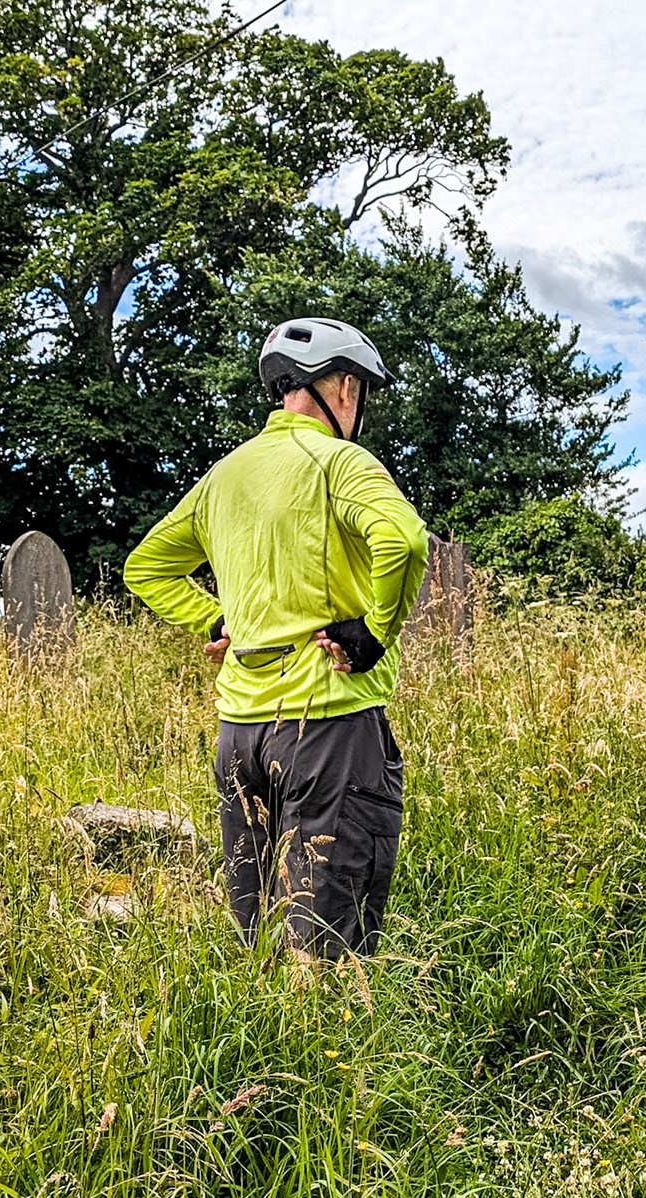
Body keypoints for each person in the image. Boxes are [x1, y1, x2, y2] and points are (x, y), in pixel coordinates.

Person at [123, 317, 429, 963]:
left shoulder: (224, 476)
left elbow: (146, 567)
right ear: (345, 386)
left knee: (257, 916)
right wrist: (374, 629)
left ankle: (264, 1041)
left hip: (240, 733)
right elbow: (402, 541)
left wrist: (215, 621)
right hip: (330, 723)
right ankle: (327, 1050)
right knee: (329, 931)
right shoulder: (340, 461)